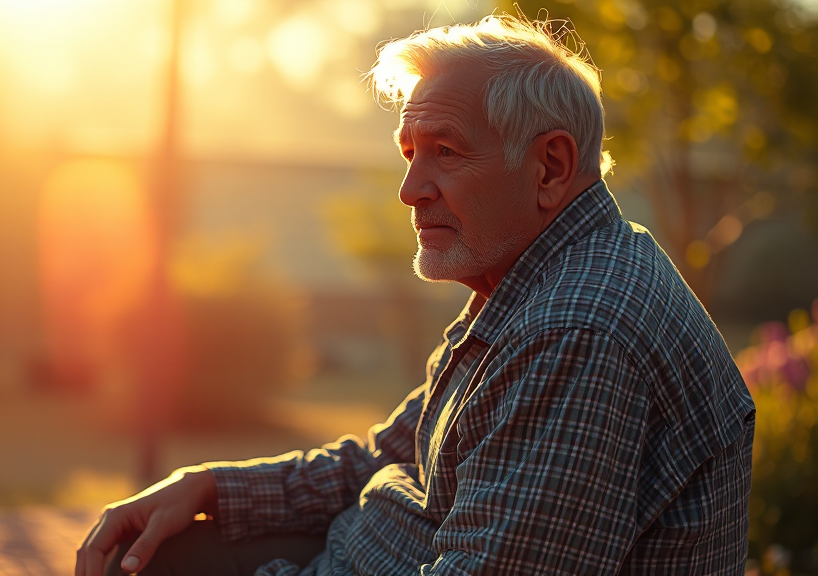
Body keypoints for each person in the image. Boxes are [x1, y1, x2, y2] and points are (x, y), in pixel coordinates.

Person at [76, 12, 756, 576]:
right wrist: (210, 484)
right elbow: (389, 455)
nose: (410, 191)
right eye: (410, 153)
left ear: (550, 167)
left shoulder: (577, 331)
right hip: (358, 547)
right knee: (148, 550)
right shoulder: (530, 283)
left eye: (446, 152)